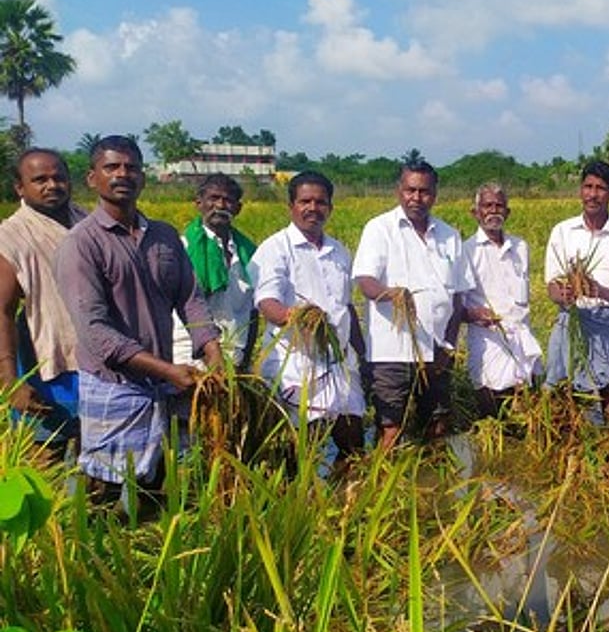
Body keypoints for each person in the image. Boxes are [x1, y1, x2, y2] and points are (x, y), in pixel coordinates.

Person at [55, 135, 222, 507]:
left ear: (143, 177)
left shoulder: (163, 235)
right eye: (111, 167)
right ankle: (102, 561)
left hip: (162, 384)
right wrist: (167, 370)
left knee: (160, 482)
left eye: (131, 167)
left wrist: (213, 352)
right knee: (106, 489)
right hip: (112, 384)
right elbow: (96, 333)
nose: (122, 174)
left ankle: (156, 555)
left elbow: (190, 299)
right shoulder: (81, 243)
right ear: (92, 178)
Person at [250, 171, 366, 475]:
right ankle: (300, 505)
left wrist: (362, 356)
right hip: (297, 364)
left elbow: (345, 307)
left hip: (339, 362)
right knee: (303, 446)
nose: (313, 208)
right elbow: (267, 304)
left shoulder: (339, 251)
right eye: (305, 201)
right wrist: (300, 317)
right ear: (291, 205)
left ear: (330, 207)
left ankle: (347, 503)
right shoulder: (275, 249)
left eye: (320, 202)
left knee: (353, 440)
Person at [352, 161, 473, 446]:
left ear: (435, 194)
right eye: (410, 190)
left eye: (424, 192)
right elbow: (365, 281)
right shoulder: (379, 229)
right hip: (391, 351)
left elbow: (457, 297)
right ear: (399, 191)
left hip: (436, 350)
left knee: (438, 425)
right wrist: (392, 295)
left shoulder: (449, 235)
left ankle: (431, 485)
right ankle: (382, 486)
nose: (416, 198)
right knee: (391, 430)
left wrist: (449, 346)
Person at [0, 148, 88, 459]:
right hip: (47, 365)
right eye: (40, 179)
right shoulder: (11, 235)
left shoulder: (88, 223)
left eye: (59, 177)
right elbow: (3, 312)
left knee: (99, 474)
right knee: (43, 465)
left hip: (97, 363)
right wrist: (10, 381)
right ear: (20, 188)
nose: (52, 185)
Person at [544, 160, 609, 426]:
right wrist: (561, 295)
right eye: (588, 186)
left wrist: (600, 291)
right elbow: (552, 285)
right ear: (580, 190)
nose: (593, 194)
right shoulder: (563, 232)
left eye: (601, 188)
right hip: (571, 325)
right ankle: (569, 461)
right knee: (565, 407)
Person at [461, 182, 542, 418]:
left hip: (521, 338)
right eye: (487, 205)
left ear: (507, 212)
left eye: (499, 206)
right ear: (475, 212)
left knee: (527, 409)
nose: (493, 211)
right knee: (493, 411)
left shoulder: (520, 247)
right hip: (488, 341)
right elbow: (457, 305)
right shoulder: (466, 251)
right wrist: (474, 314)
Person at [173, 173, 258, 371]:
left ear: (238, 208)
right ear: (199, 203)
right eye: (214, 198)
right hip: (189, 360)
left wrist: (246, 360)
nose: (220, 206)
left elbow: (253, 311)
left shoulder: (250, 255)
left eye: (228, 200)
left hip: (234, 358)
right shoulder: (181, 248)